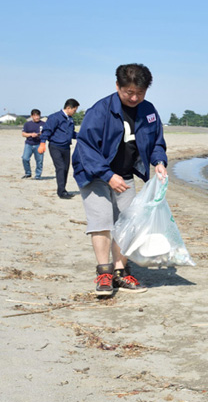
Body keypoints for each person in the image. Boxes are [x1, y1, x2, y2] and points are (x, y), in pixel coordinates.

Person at [71, 64, 167, 296]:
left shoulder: (149, 111)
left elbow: (156, 142)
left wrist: (159, 162)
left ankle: (120, 272)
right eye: (129, 92)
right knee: (102, 222)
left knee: (128, 223)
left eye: (140, 93)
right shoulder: (100, 110)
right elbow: (86, 147)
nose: (134, 98)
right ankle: (104, 273)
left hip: (124, 175)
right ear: (118, 86)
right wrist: (107, 175)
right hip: (95, 174)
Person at [40, 98, 80, 198]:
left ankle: (63, 189)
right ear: (68, 108)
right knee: (60, 167)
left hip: (66, 147)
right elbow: (47, 131)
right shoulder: (55, 117)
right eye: (74, 110)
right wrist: (42, 143)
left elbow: (71, 133)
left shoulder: (70, 119)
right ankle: (61, 192)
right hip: (55, 146)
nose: (75, 112)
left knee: (65, 169)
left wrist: (82, 136)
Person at [21, 109, 45, 179]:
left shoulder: (43, 124)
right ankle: (28, 173)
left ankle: (38, 175)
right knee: (25, 158)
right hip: (29, 144)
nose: (37, 117)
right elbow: (23, 134)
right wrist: (31, 134)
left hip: (39, 144)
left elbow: (47, 133)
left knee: (39, 161)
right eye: (35, 116)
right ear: (31, 116)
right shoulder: (27, 124)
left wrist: (41, 134)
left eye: (38, 115)